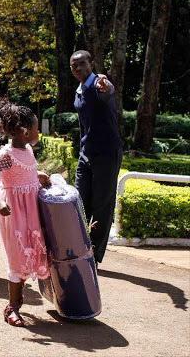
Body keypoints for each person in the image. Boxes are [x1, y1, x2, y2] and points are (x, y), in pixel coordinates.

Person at [0, 98, 51, 327]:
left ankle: (17, 300)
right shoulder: (6, 154)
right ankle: (12, 307)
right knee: (16, 258)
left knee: (27, 253)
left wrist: (37, 175)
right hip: (12, 212)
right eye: (36, 128)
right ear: (24, 130)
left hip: (31, 210)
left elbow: (26, 172)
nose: (38, 131)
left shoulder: (28, 149)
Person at [70, 50, 123, 268]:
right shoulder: (79, 90)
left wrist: (106, 87)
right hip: (86, 153)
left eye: (82, 64)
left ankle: (94, 257)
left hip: (106, 153)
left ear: (92, 63)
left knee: (102, 205)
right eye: (74, 66)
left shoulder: (99, 84)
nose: (79, 69)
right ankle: (81, 249)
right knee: (78, 202)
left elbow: (107, 91)